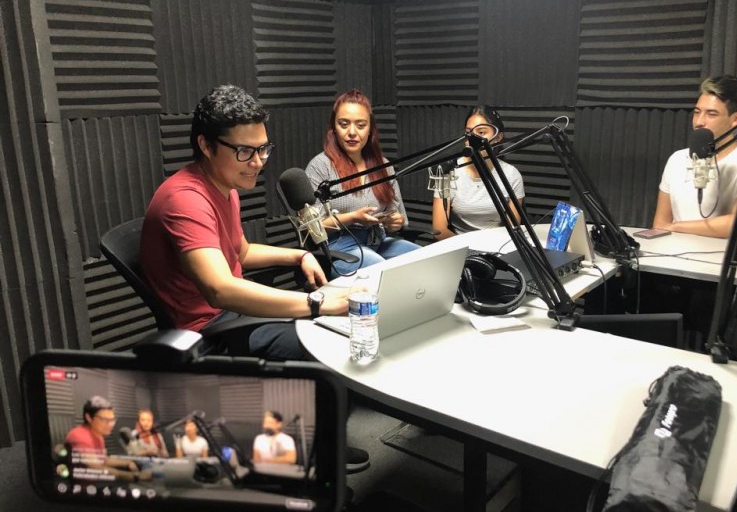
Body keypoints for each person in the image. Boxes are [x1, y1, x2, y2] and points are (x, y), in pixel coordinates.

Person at [140, 84, 350, 360]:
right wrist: (316, 303)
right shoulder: (185, 199)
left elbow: (242, 252)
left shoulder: (225, 187)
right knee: (335, 345)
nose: (258, 162)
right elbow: (220, 290)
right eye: (244, 151)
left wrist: (300, 255)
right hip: (212, 334)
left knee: (341, 328)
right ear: (206, 145)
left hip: (237, 316)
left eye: (263, 149)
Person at [305, 89, 420, 276]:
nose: (352, 132)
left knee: (422, 258)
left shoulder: (383, 166)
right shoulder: (320, 167)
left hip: (378, 240)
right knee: (382, 270)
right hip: (339, 247)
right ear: (334, 128)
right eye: (344, 124)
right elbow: (313, 228)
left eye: (360, 125)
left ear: (370, 129)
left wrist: (395, 222)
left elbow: (397, 216)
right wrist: (353, 217)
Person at [652, 75, 737, 238]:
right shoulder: (677, 159)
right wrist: (668, 227)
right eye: (697, 112)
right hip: (672, 252)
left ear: (736, 118)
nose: (699, 121)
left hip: (722, 254)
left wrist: (675, 227)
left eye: (711, 114)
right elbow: (659, 224)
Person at [431, 106, 525, 240]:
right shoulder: (448, 172)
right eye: (468, 133)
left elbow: (513, 228)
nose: (473, 139)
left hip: (497, 244)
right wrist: (469, 249)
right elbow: (439, 230)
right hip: (459, 244)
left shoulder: (511, 175)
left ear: (498, 137)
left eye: (481, 132)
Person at [65, 396, 151, 482]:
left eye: (112, 420)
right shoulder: (79, 436)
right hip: (88, 487)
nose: (111, 424)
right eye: (105, 420)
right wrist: (136, 476)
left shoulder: (98, 435)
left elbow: (103, 460)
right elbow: (96, 468)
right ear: (89, 418)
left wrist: (128, 462)